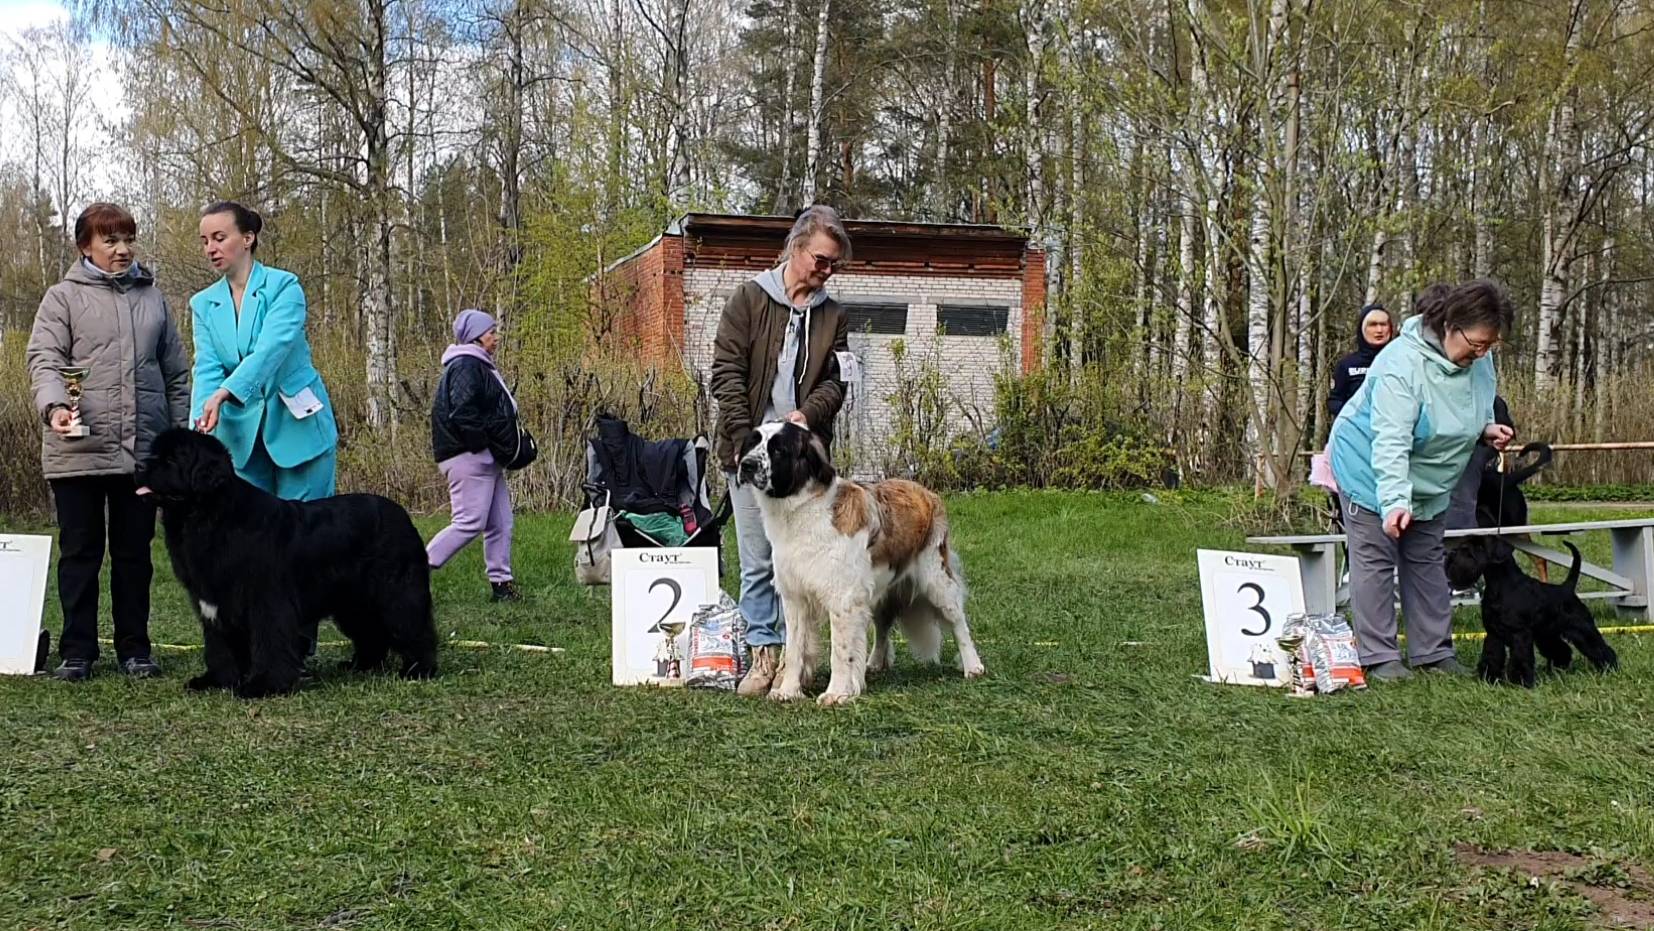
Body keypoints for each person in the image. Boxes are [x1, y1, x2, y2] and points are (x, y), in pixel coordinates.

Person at [26, 203, 191, 681]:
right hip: (76, 449)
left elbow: (177, 375)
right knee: (80, 553)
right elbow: (44, 360)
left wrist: (175, 441)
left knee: (134, 555)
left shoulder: (155, 299)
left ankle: (135, 649)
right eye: (110, 241)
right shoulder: (61, 299)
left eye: (127, 239)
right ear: (85, 247)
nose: (122, 250)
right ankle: (77, 651)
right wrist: (56, 407)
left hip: (142, 452)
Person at [1329, 279, 1515, 681]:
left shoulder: (1479, 358)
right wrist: (1395, 502)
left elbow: (1474, 401)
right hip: (1369, 466)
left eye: (1489, 346)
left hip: (1432, 475)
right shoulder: (1401, 365)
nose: (1481, 354)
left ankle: (1433, 652)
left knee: (1427, 558)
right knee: (1375, 559)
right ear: (1450, 324)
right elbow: (1390, 440)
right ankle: (1379, 656)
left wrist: (1486, 428)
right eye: (1477, 343)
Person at [710, 205, 853, 697]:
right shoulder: (747, 301)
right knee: (758, 561)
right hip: (750, 453)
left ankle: (805, 659)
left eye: (834, 264)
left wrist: (807, 416)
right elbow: (726, 376)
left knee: (811, 564)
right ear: (796, 248)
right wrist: (747, 441)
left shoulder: (833, 315)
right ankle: (765, 655)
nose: (826, 270)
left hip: (804, 465)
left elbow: (838, 383)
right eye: (821, 259)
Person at [190, 201, 338, 501]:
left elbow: (271, 350)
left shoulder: (285, 286)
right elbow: (206, 367)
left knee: (310, 537)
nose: (210, 248)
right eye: (205, 241)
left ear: (248, 238)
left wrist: (224, 393)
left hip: (298, 428)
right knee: (250, 539)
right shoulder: (202, 304)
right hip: (240, 437)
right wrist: (199, 423)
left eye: (219, 238)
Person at [427, 309, 521, 603]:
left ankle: (501, 584)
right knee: (468, 522)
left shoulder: (478, 364)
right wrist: (481, 446)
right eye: (491, 332)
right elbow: (463, 410)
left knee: (500, 522)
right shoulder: (467, 364)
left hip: (483, 457)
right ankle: (410, 570)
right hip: (469, 456)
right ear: (476, 336)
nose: (496, 337)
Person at [1327, 303, 1394, 420]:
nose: (1379, 330)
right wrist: (1353, 416)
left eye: (1383, 324)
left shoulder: (1400, 361)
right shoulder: (1347, 365)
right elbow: (1334, 401)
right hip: (1356, 431)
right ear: (1362, 329)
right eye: (1373, 325)